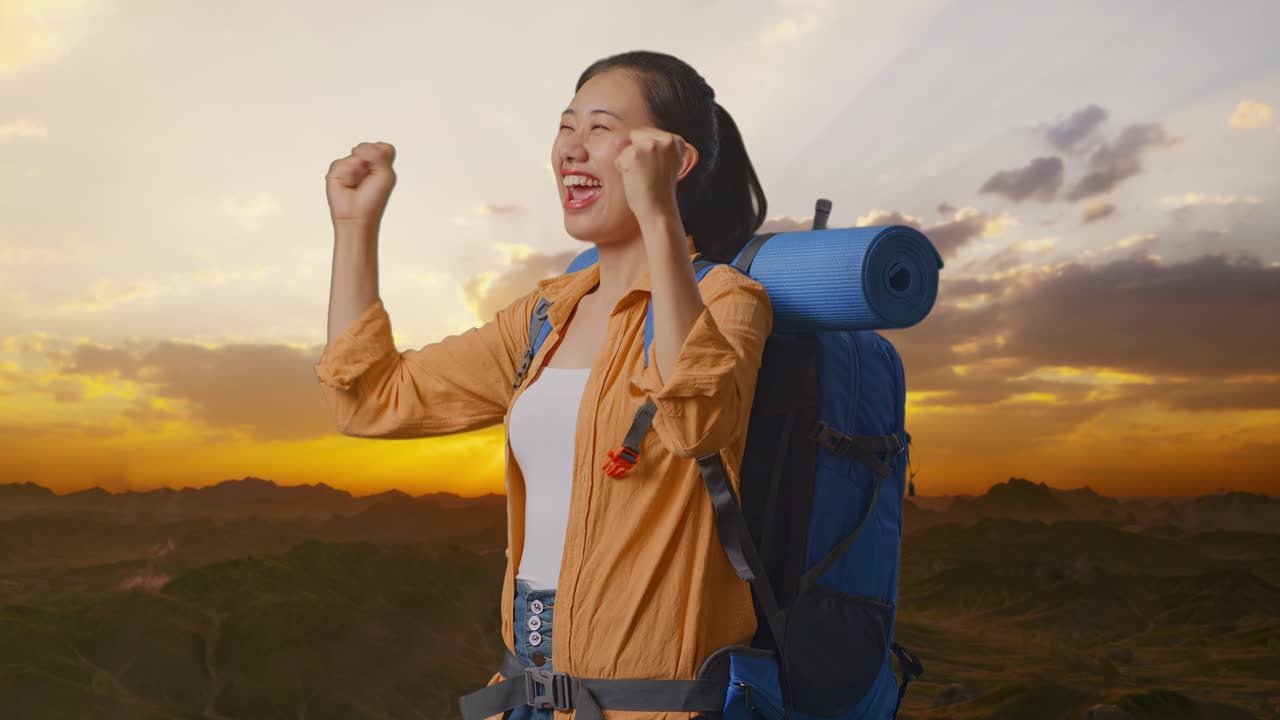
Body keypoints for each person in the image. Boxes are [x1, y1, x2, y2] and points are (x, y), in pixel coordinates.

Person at [315, 50, 773, 720]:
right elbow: (368, 399)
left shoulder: (729, 301)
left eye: (600, 128)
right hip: (527, 690)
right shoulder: (543, 316)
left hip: (654, 705)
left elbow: (695, 421)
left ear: (671, 159)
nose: (571, 149)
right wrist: (355, 226)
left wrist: (660, 218)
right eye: (566, 127)